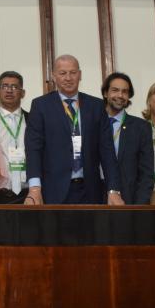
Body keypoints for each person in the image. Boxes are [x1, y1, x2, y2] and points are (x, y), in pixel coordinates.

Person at [25, 55, 123, 205]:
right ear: (54, 76)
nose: (68, 78)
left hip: (90, 190)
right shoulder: (41, 106)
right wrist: (34, 188)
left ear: (80, 75)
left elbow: (107, 151)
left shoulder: (96, 106)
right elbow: (33, 149)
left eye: (73, 72)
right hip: (52, 190)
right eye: (62, 73)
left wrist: (114, 190)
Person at [101, 73, 154, 205]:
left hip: (128, 201)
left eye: (125, 92)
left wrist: (138, 208)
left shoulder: (141, 127)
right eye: (115, 90)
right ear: (106, 93)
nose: (120, 95)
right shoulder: (92, 123)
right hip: (94, 200)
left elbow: (146, 174)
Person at [0, 71, 29, 203]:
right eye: (5, 86)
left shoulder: (33, 119)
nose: (9, 90)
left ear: (22, 93)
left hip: (27, 193)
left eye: (14, 87)